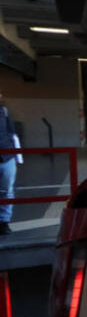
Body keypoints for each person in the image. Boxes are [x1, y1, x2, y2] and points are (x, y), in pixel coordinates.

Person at [0, 90, 17, 234]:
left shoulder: (4, 111)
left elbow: (12, 132)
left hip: (6, 157)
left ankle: (4, 221)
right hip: (7, 156)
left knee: (7, 191)